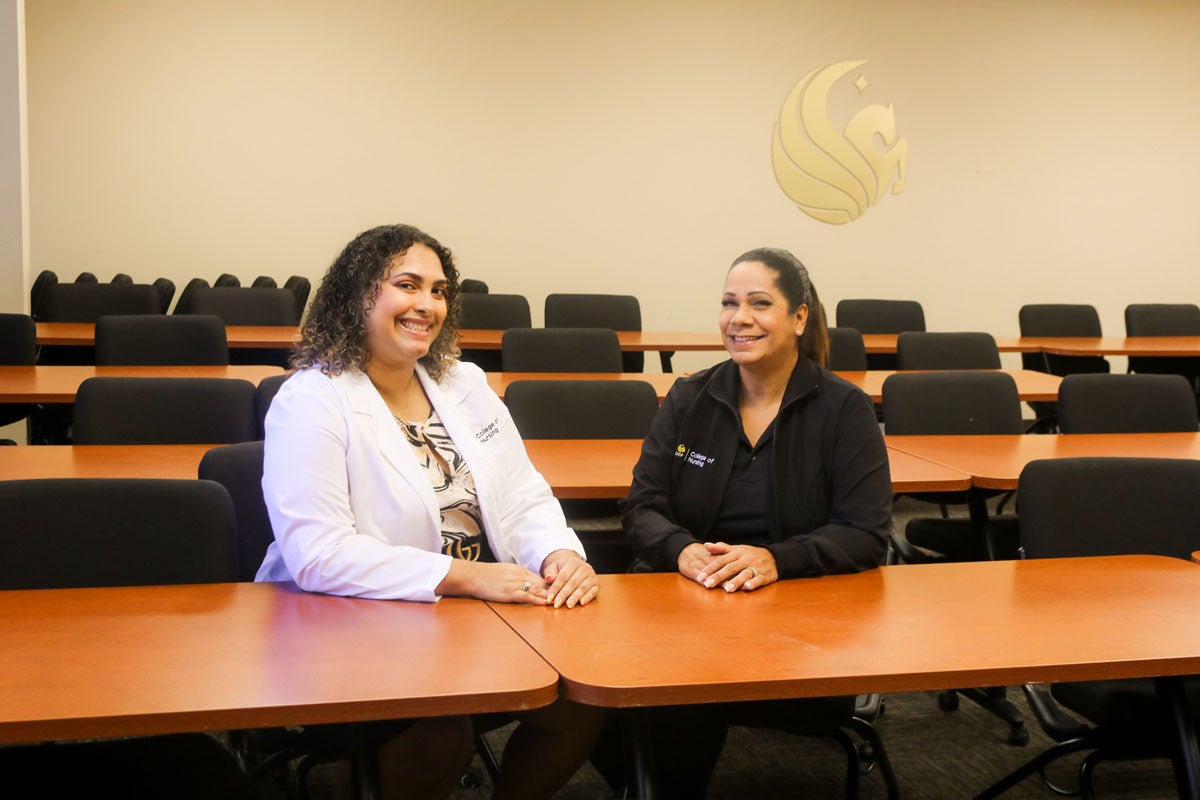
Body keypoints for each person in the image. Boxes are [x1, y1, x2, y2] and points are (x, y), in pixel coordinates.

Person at [256, 223, 603, 799]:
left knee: (581, 697)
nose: (427, 305)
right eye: (408, 285)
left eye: (439, 291)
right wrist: (468, 576)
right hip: (350, 618)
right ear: (358, 294)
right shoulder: (311, 399)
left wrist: (560, 552)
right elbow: (319, 555)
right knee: (441, 732)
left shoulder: (462, 382)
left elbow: (522, 495)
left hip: (465, 615)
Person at [619, 246, 892, 797]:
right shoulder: (690, 397)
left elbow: (865, 533)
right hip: (688, 598)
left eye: (759, 303)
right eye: (728, 303)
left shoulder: (844, 409)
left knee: (684, 693)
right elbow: (642, 505)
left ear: (798, 318)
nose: (738, 318)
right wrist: (681, 551)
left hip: (795, 614)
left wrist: (774, 559)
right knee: (609, 689)